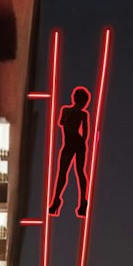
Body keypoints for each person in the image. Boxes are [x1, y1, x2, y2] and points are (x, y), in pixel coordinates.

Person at [48, 86, 92, 217]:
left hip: (72, 144)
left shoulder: (70, 111)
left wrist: (73, 133)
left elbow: (64, 125)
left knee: (67, 173)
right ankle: (78, 202)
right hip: (75, 144)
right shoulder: (78, 113)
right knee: (76, 172)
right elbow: (85, 133)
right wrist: (79, 138)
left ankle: (59, 200)